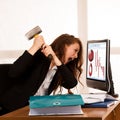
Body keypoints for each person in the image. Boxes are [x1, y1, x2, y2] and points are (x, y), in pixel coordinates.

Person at [0, 33, 83, 115]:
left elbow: (71, 83)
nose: (76, 56)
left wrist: (55, 58)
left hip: (39, 109)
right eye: (75, 50)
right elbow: (13, 72)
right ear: (64, 46)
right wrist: (35, 46)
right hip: (16, 109)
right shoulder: (39, 57)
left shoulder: (61, 68)